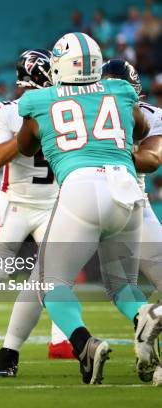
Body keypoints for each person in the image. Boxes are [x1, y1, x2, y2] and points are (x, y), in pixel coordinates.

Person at [16, 32, 161, 384]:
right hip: (127, 189)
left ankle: (85, 344)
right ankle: (145, 312)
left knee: (50, 282)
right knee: (122, 283)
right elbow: (139, 128)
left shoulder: (38, 99)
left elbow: (23, 146)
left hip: (81, 187)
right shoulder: (123, 92)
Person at [0, 50, 73, 379]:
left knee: (55, 273)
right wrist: (29, 135)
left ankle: (59, 340)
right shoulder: (7, 111)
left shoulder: (65, 108)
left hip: (53, 204)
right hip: (17, 205)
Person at [101, 59, 162, 386]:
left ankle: (144, 318)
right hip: (138, 205)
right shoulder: (150, 113)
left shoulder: (86, 110)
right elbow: (151, 158)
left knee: (115, 284)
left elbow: (152, 159)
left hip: (107, 204)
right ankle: (147, 331)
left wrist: (103, 153)